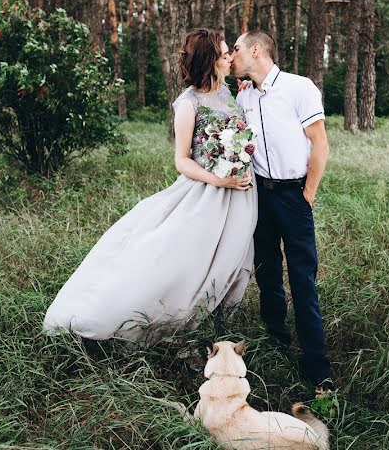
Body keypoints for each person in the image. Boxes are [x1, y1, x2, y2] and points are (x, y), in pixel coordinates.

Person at [44, 28, 256, 343]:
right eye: (224, 54)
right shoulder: (189, 103)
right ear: (210, 60)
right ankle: (163, 322)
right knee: (185, 260)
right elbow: (182, 160)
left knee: (236, 257)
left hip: (240, 194)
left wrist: (238, 162)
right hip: (206, 193)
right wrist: (218, 179)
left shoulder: (233, 93)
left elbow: (240, 135)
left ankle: (220, 328)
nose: (230, 58)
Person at [231, 29, 333, 387]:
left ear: (256, 50)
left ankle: (316, 365)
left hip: (294, 195)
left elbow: (320, 144)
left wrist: (307, 194)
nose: (232, 56)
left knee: (303, 278)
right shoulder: (244, 96)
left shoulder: (299, 87)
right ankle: (276, 341)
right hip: (259, 196)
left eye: (237, 49)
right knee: (268, 272)